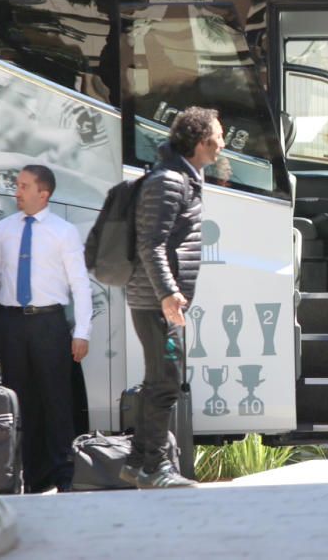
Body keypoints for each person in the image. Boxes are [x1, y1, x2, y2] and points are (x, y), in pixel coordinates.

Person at [121, 106, 224, 488]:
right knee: (166, 382)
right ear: (201, 142)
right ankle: (155, 468)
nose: (224, 143)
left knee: (158, 380)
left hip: (159, 299)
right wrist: (168, 294)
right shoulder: (169, 181)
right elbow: (151, 244)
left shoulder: (183, 178)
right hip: (156, 301)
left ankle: (137, 463)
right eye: (219, 135)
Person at [0, 164, 93, 492]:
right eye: (18, 185)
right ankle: (29, 476)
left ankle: (63, 474)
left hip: (49, 323)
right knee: (20, 400)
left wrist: (82, 331)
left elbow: (80, 284)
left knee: (56, 399)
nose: (17, 191)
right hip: (11, 324)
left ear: (44, 194)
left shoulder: (63, 231)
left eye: (24, 186)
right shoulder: (4, 229)